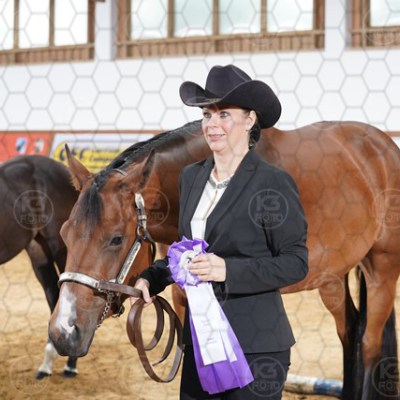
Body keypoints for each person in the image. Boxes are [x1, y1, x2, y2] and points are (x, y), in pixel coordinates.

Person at [131, 64, 308, 399]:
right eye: (206, 114)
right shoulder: (191, 177)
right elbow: (187, 254)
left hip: (255, 348)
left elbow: (295, 263)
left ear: (250, 119)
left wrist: (227, 270)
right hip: (202, 345)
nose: (211, 124)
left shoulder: (273, 183)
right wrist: (151, 278)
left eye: (224, 114)